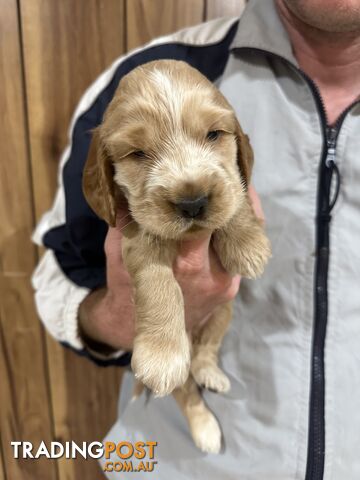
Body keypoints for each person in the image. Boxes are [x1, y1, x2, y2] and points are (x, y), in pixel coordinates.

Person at [32, 0, 360, 478]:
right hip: (170, 461)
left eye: (213, 135)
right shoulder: (141, 75)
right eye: (141, 152)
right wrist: (120, 317)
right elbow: (52, 282)